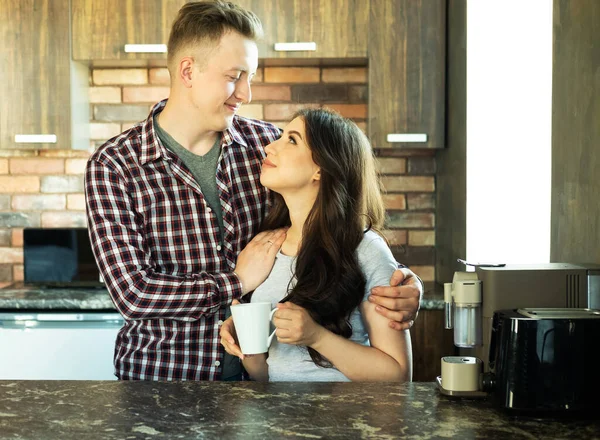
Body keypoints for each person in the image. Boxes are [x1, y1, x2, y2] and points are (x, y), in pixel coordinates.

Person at [84, 0, 422, 381]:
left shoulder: (266, 147)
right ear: (188, 70)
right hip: (164, 378)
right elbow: (132, 293)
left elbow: (333, 225)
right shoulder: (115, 165)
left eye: (250, 77)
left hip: (260, 388)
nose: (245, 92)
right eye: (235, 75)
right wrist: (236, 282)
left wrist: (400, 283)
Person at [220, 109, 412, 381]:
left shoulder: (366, 249)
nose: (269, 146)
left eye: (292, 140)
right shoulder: (266, 248)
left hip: (343, 419)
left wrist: (316, 337)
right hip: (280, 419)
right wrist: (247, 350)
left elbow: (398, 374)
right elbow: (265, 375)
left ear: (320, 169)